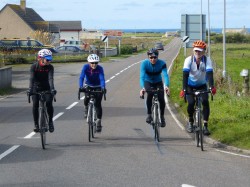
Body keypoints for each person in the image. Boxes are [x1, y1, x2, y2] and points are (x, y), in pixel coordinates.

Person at [180, 40, 216, 136]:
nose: (198, 53)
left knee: (205, 101)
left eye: (200, 51)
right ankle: (191, 121)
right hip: (190, 86)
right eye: (196, 51)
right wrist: (184, 89)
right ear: (193, 51)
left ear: (204, 51)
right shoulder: (188, 60)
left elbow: (210, 74)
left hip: (202, 85)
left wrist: (212, 87)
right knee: (191, 103)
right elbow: (185, 75)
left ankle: (205, 126)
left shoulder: (207, 60)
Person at [27, 49, 57, 133]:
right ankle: (36, 124)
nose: (49, 61)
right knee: (35, 104)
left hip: (47, 87)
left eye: (50, 59)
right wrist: (30, 89)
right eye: (47, 59)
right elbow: (32, 78)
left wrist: (52, 89)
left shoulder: (50, 67)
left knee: (48, 103)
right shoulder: (34, 66)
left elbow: (50, 78)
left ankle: (50, 121)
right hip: (36, 88)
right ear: (41, 58)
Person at [139, 48, 170, 127]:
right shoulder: (144, 64)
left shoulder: (162, 63)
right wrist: (143, 88)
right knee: (149, 94)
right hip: (148, 82)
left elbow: (165, 75)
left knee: (161, 99)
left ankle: (162, 117)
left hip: (158, 82)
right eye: (151, 58)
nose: (153, 59)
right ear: (148, 57)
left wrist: (166, 86)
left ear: (157, 57)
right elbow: (142, 77)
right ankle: (149, 115)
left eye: (154, 57)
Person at [79, 54, 106, 133]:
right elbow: (81, 77)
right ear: (88, 62)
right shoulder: (85, 67)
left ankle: (98, 121)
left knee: (98, 104)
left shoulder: (100, 68)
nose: (94, 64)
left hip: (98, 86)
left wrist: (103, 87)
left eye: (96, 63)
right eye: (92, 63)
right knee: (86, 98)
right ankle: (86, 107)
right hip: (89, 85)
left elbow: (102, 78)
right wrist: (81, 86)